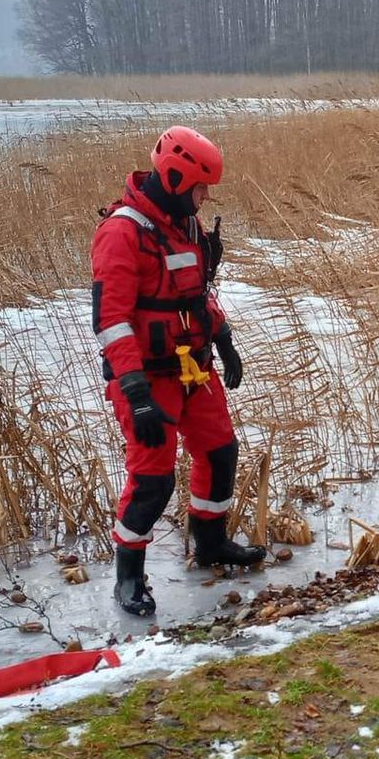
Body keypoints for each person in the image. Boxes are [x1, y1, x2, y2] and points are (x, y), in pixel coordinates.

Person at [91, 125, 265, 617]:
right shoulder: (122, 233)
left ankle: (209, 543)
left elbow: (194, 294)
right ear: (173, 178)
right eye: (200, 187)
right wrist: (134, 389)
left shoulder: (185, 224)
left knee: (220, 452)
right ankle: (129, 577)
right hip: (147, 379)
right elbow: (110, 320)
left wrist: (224, 338)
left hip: (195, 368)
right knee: (153, 481)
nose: (205, 197)